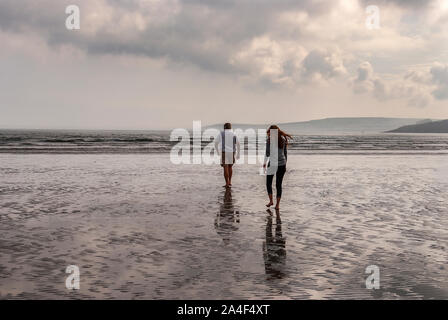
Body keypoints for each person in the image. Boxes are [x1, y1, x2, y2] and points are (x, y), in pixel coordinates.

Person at [263, 125, 292, 210]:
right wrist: (285, 164)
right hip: (282, 164)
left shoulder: (269, 141)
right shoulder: (282, 140)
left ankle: (271, 201)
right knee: (278, 185)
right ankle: (277, 205)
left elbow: (267, 153)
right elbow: (285, 153)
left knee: (268, 183)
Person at [214, 123, 240, 188]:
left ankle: (227, 183)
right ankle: (230, 181)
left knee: (225, 167)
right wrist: (238, 153)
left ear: (224, 127)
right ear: (230, 127)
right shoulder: (234, 134)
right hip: (232, 152)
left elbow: (216, 143)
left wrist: (217, 151)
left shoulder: (221, 133)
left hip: (224, 152)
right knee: (230, 167)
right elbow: (238, 144)